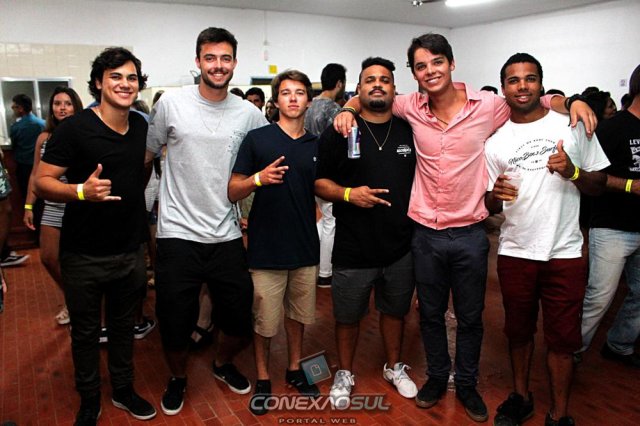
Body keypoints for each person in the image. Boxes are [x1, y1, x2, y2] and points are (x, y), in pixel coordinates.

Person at [333, 33, 596, 423]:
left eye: (437, 62)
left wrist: (570, 101)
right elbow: (370, 93)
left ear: (451, 64)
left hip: (471, 233)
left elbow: (533, 100)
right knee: (430, 314)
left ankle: (468, 384)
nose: (430, 71)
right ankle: (438, 377)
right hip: (425, 233)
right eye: (421, 66)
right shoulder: (409, 105)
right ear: (414, 74)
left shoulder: (488, 106)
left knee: (471, 317)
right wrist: (347, 108)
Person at [146, 27, 268, 416]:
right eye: (210, 57)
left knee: (239, 318)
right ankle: (178, 377)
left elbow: (265, 162)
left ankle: (222, 362)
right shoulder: (171, 104)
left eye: (225, 58)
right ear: (198, 61)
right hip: (177, 234)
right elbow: (146, 156)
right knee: (174, 322)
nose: (218, 65)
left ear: (235, 63)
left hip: (226, 233)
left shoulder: (249, 114)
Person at [484, 53, 608, 426]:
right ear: (504, 88)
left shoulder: (572, 126)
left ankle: (560, 413)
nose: (522, 86)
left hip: (564, 253)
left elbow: (599, 183)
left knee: (563, 340)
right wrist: (494, 196)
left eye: (530, 78)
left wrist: (573, 172)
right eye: (513, 80)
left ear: (541, 84)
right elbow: (489, 203)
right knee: (518, 333)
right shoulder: (496, 142)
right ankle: (521, 397)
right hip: (516, 251)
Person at [35, 47, 156, 425]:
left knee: (123, 328)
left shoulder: (141, 127)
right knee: (86, 333)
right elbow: (41, 181)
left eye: (131, 77)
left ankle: (123, 389)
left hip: (129, 250)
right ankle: (89, 399)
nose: (125, 84)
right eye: (115, 77)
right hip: (83, 253)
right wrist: (80, 192)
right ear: (99, 83)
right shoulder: (74, 129)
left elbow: (142, 169)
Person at [316, 57, 418, 408]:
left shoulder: (408, 129)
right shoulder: (340, 129)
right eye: (370, 79)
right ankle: (345, 372)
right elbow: (319, 182)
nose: (377, 84)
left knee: (395, 312)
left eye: (384, 80)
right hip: (353, 246)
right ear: (358, 89)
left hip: (400, 246)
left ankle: (394, 367)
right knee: (347, 318)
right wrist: (348, 194)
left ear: (394, 89)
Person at [229, 69, 320, 415]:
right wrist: (259, 179)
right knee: (264, 322)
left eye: (300, 92)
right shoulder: (258, 140)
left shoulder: (316, 144)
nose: (293, 98)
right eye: (286, 92)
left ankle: (295, 369)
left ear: (308, 101)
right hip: (266, 248)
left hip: (305, 247)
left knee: (298, 316)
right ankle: (263, 377)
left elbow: (321, 187)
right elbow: (232, 190)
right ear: (276, 100)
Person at [579, 64, 640, 369]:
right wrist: (630, 185)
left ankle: (619, 344)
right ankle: (570, 353)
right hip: (612, 227)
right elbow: (590, 176)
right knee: (599, 298)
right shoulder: (613, 128)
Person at [23, 86, 83, 325]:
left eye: (68, 103)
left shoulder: (83, 133)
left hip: (77, 203)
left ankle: (81, 302)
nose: (62, 108)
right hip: (52, 204)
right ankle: (72, 297)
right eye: (57, 104)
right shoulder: (44, 137)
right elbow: (35, 174)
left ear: (76, 107)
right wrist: (29, 206)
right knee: (48, 257)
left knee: (77, 259)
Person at [305, 63, 347, 289]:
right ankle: (324, 273)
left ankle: (315, 265)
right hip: (329, 174)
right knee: (331, 221)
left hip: (309, 170)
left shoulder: (309, 106)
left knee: (320, 220)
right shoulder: (334, 110)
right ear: (339, 83)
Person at [10, 94, 45, 200]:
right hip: (41, 167)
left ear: (20, 108)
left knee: (27, 196)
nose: (12, 109)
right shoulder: (43, 124)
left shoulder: (16, 127)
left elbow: (14, 146)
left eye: (14, 107)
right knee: (42, 197)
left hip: (24, 168)